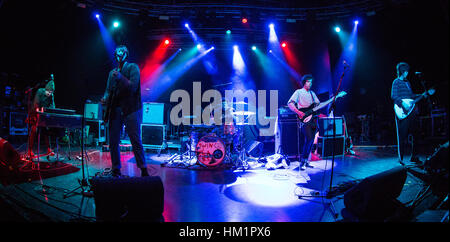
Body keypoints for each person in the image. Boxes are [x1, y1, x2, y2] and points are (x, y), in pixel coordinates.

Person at [101, 45, 149, 177]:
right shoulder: (112, 73)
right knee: (113, 140)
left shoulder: (133, 67)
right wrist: (105, 98)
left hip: (131, 108)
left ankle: (143, 168)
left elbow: (133, 87)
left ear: (126, 54)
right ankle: (116, 169)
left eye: (121, 52)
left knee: (135, 139)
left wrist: (121, 77)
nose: (118, 54)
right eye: (117, 52)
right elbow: (108, 90)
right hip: (115, 109)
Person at [391, 62, 425, 165]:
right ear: (402, 71)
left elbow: (412, 96)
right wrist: (402, 103)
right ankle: (400, 159)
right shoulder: (396, 82)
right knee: (402, 136)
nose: (407, 73)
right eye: (406, 71)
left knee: (417, 133)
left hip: (411, 111)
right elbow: (393, 96)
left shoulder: (408, 83)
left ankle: (414, 156)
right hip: (402, 111)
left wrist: (423, 95)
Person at [288, 74, 320, 170]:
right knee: (309, 139)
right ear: (304, 82)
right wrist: (298, 112)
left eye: (311, 82)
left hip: (314, 118)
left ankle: (306, 161)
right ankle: (302, 161)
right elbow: (290, 103)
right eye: (308, 81)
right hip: (305, 119)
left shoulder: (312, 93)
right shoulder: (299, 92)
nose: (310, 83)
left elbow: (318, 104)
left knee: (311, 141)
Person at [27, 79, 56, 158]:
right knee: (34, 130)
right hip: (35, 112)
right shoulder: (40, 91)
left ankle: (49, 149)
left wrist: (50, 111)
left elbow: (52, 107)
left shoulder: (51, 96)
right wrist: (39, 110)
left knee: (46, 130)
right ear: (46, 89)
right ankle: (30, 150)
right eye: (48, 92)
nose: (49, 94)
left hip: (44, 114)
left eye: (51, 92)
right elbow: (36, 104)